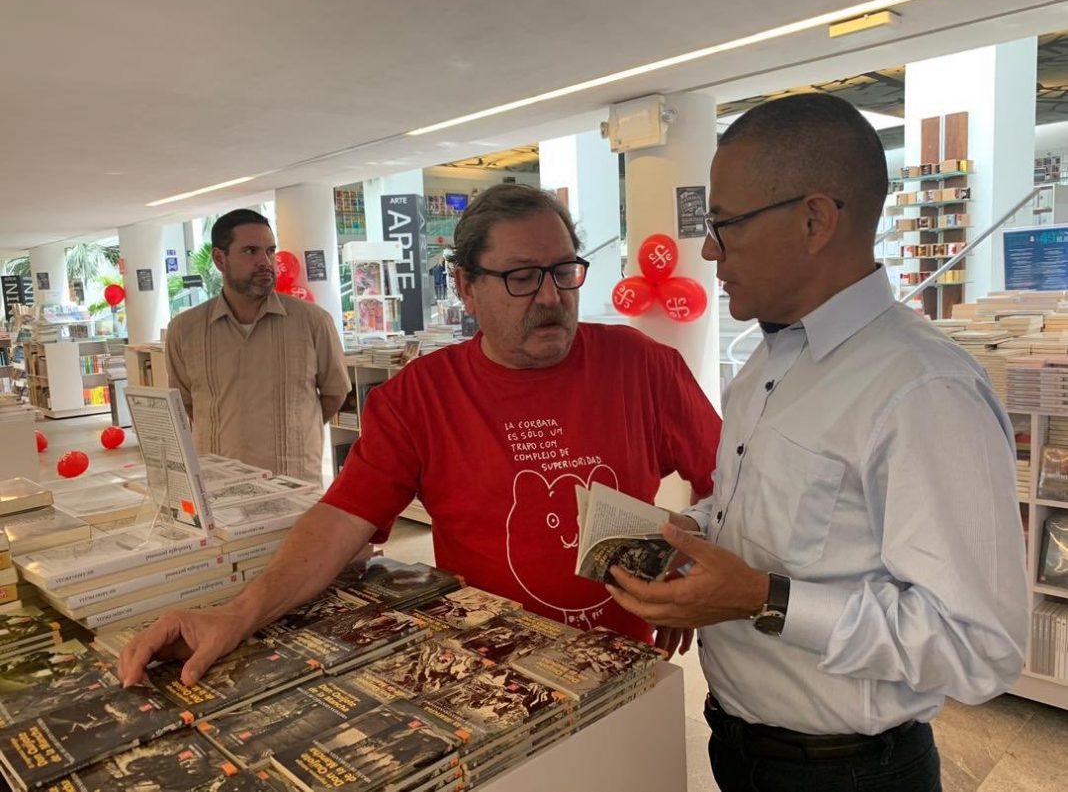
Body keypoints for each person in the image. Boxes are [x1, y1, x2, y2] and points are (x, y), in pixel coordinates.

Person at [120, 184, 723, 687]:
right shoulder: (419, 397)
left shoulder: (642, 365)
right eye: (521, 277)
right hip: (492, 675)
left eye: (564, 272)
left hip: (624, 673)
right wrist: (236, 615)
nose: (551, 296)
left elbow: (729, 484)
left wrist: (691, 564)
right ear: (465, 287)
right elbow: (340, 521)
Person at [608, 93, 1029, 792]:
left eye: (725, 224)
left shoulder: (923, 389)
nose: (708, 249)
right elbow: (767, 517)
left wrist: (762, 598)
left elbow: (977, 645)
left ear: (814, 220)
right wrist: (695, 537)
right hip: (737, 744)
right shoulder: (763, 364)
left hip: (848, 772)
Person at [165, 209, 350, 484]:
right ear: (219, 258)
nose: (265, 262)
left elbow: (335, 393)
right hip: (219, 485)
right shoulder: (185, 330)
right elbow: (186, 403)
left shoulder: (313, 322)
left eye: (270, 251)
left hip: (294, 484)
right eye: (250, 251)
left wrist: (295, 428)